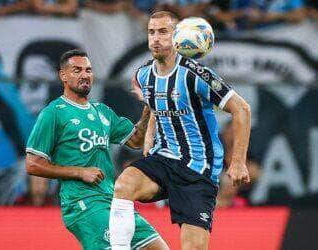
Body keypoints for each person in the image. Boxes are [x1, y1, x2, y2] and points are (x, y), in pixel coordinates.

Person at [109, 11, 251, 250]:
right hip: (164, 158)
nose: (156, 38)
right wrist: (150, 135)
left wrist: (237, 161)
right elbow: (155, 104)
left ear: (177, 37)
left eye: (163, 32)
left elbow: (242, 109)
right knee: (123, 184)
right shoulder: (143, 75)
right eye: (151, 32)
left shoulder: (196, 74)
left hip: (198, 169)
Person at [25, 49, 168, 250]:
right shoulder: (53, 113)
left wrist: (147, 109)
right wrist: (79, 172)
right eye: (77, 70)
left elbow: (136, 140)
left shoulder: (102, 111)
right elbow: (32, 164)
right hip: (83, 203)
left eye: (88, 70)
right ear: (63, 76)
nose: (84, 75)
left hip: (114, 201)